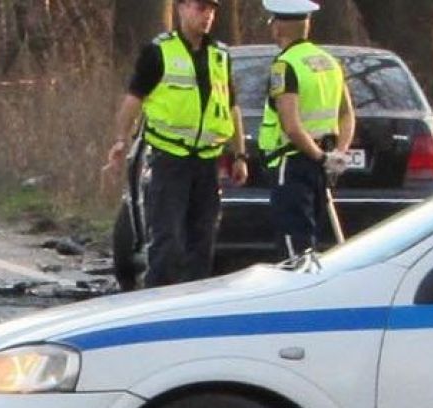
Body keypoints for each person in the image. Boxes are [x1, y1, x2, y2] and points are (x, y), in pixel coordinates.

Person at [105, 0, 248, 288]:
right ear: (181, 8)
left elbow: (231, 107)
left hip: (207, 162)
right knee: (168, 240)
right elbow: (133, 100)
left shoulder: (220, 55)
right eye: (200, 8)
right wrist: (121, 140)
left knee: (203, 240)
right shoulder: (159, 52)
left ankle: (194, 302)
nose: (207, 15)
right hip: (169, 159)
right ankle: (159, 299)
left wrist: (239, 154)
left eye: (211, 10)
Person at [258, 0, 354, 258]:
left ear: (278, 27)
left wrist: (321, 157)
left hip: (291, 163)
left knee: (295, 248)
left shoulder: (285, 65)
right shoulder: (329, 62)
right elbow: (347, 114)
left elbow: (291, 126)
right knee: (316, 245)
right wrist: (339, 153)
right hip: (321, 165)